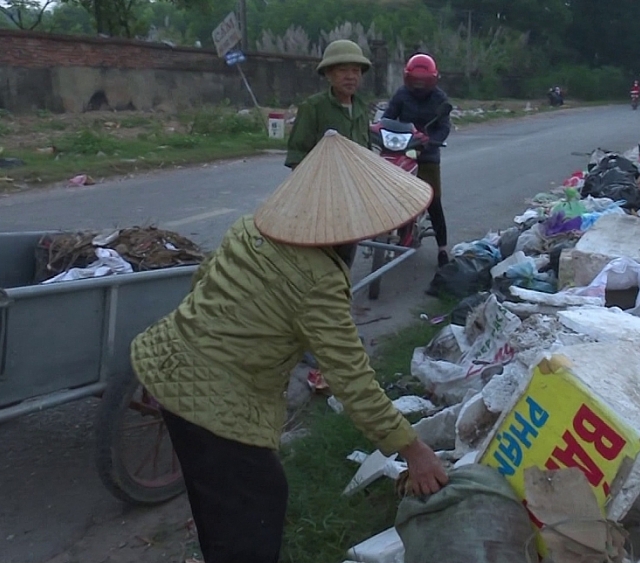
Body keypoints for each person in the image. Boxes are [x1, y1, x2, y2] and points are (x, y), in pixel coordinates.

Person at [131, 131, 449, 563]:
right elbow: (352, 381)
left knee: (216, 500)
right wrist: (415, 452)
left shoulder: (251, 225)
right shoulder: (319, 280)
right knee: (254, 510)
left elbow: (203, 282)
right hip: (213, 404)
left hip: (165, 362)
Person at [382, 53, 453, 267]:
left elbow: (444, 126)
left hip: (427, 155)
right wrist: (380, 131)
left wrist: (433, 141)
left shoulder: (440, 99)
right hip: (401, 151)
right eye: (415, 81)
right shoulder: (402, 95)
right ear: (408, 79)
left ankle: (442, 249)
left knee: (433, 199)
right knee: (386, 190)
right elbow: (388, 117)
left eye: (424, 82)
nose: (419, 86)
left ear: (432, 80)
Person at [285, 40, 372, 169]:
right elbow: (298, 155)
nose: (350, 77)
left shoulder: (361, 107)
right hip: (324, 183)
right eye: (343, 71)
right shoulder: (313, 107)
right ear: (328, 74)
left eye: (356, 71)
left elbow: (367, 152)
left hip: (356, 183)